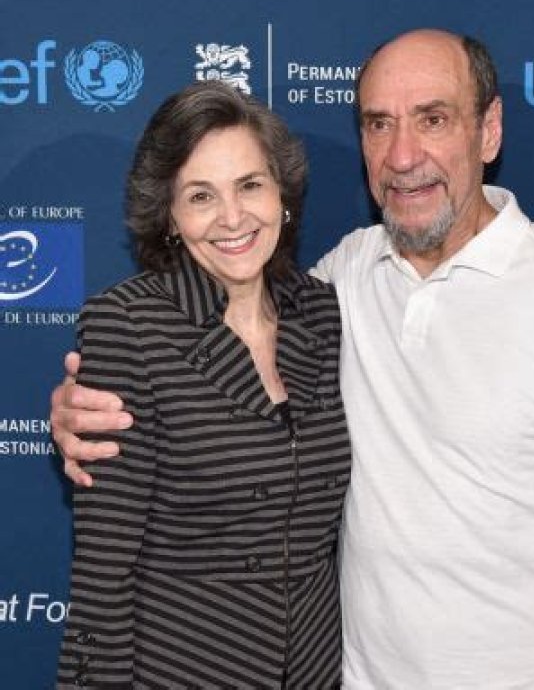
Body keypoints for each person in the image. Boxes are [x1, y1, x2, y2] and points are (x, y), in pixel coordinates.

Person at [52, 30, 534, 689]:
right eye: (379, 124)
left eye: (433, 119)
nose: (403, 155)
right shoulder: (342, 280)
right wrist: (76, 410)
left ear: (489, 130)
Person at [55, 80, 350, 689]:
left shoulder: (322, 312)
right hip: (182, 669)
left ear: (282, 193)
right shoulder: (129, 325)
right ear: (169, 215)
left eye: (250, 185)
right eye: (200, 196)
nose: (233, 217)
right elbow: (103, 571)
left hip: (315, 671)